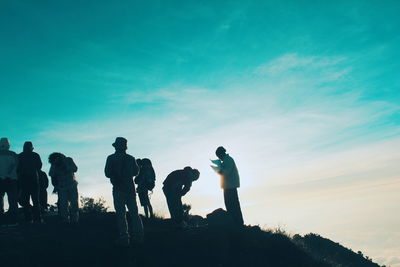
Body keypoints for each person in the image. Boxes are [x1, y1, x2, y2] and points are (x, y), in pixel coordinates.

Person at [105, 137, 144, 246]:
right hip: (129, 189)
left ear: (116, 146)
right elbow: (136, 172)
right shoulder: (131, 158)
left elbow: (107, 173)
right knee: (134, 214)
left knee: (121, 214)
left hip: (118, 189)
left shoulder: (111, 158)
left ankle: (124, 237)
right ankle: (139, 236)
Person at [215, 146, 244, 226]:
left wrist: (219, 169)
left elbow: (226, 173)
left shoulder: (228, 160)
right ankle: (235, 222)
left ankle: (238, 223)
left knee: (233, 205)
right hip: (228, 186)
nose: (219, 158)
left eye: (218, 156)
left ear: (221, 154)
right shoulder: (226, 160)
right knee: (230, 204)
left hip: (230, 186)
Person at [49, 152, 79, 224]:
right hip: (61, 187)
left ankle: (74, 220)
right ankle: (65, 220)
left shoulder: (68, 160)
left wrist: (66, 166)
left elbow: (75, 169)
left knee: (74, 202)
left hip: (71, 185)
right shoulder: (54, 164)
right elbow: (51, 174)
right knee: (63, 204)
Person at [17, 141, 43, 223]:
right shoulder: (35, 155)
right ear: (31, 147)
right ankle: (38, 218)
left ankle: (28, 218)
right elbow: (39, 166)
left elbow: (17, 168)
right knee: (36, 200)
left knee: (26, 201)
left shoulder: (20, 156)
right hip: (34, 179)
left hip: (23, 180)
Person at [0, 138, 19, 225]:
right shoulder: (13, 154)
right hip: (11, 180)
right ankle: (14, 219)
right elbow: (16, 166)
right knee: (12, 200)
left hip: (1, 180)